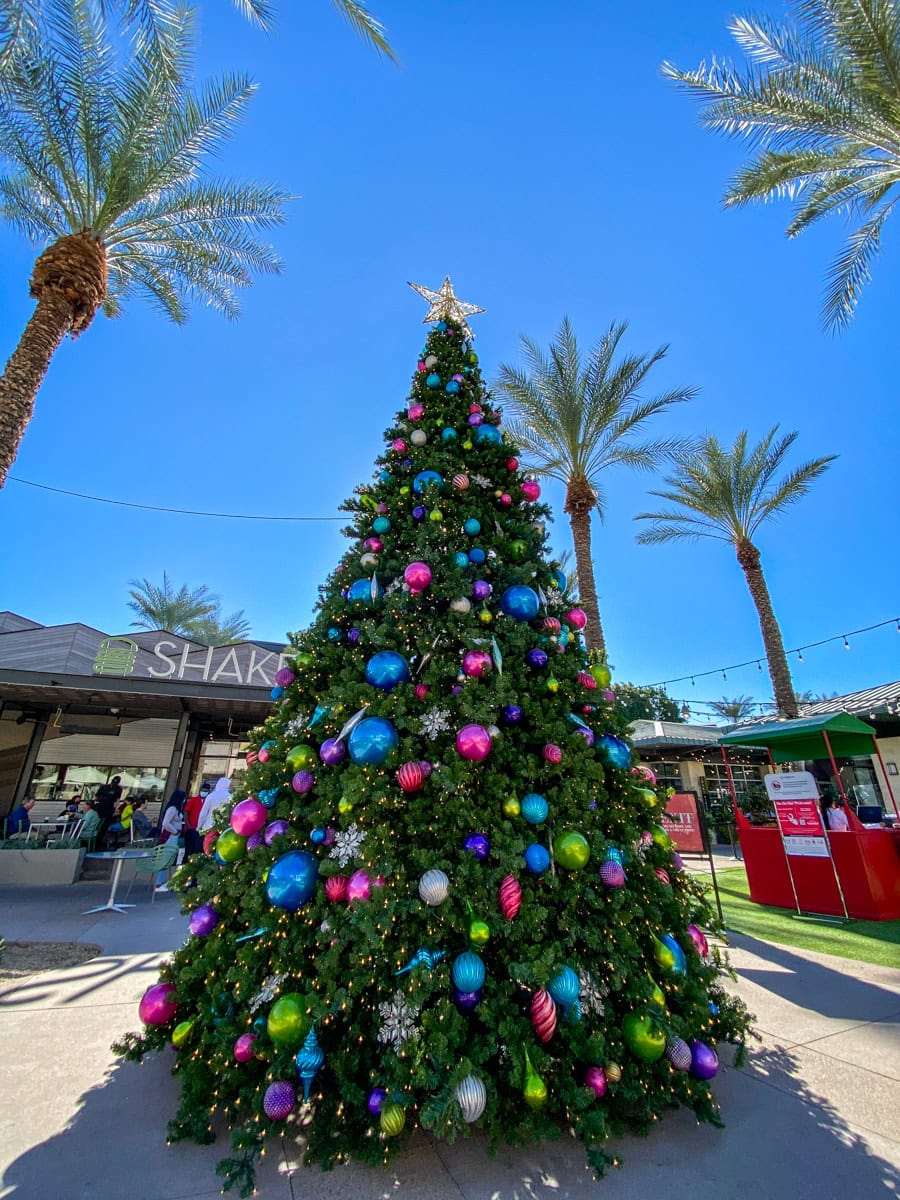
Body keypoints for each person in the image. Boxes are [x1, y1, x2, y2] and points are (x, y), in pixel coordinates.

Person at [156, 791, 186, 892]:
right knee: (165, 858)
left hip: (174, 837)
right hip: (170, 836)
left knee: (169, 859)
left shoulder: (177, 809)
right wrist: (174, 831)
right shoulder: (172, 809)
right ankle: (158, 884)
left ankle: (162, 882)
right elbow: (165, 823)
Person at [182, 782, 210, 858]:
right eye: (203, 790)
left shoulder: (208, 802)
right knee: (189, 850)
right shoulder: (193, 800)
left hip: (201, 830)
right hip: (191, 829)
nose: (204, 792)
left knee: (198, 850)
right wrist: (189, 825)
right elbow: (186, 812)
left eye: (206, 791)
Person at [93, 775, 123, 845]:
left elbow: (95, 797)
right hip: (106, 808)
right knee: (104, 826)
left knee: (100, 825)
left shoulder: (104, 787)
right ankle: (100, 842)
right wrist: (115, 809)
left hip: (101, 808)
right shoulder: (117, 788)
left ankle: (98, 841)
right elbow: (117, 800)